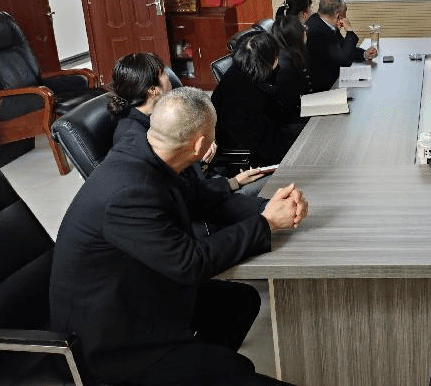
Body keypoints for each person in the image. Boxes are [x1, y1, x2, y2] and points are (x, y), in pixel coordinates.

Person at [50, 86, 308, 386]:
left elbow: (208, 200)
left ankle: (199, 364)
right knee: (233, 368)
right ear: (200, 144)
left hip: (140, 290)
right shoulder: (128, 193)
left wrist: (268, 207)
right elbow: (191, 263)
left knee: (239, 302)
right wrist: (266, 224)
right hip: (111, 341)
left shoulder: (155, 153)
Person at [108, 52, 266, 193]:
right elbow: (180, 191)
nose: (168, 76)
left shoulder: (161, 113)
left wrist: (207, 140)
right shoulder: (135, 137)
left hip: (205, 182)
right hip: (200, 197)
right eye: (163, 73)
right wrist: (232, 183)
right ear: (152, 89)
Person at [211, 31, 298, 167]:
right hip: (253, 155)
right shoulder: (236, 92)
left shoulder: (250, 71)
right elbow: (262, 143)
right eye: (276, 55)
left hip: (270, 132)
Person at [306, 0, 377, 92]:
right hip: (323, 89)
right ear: (338, 15)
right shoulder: (317, 30)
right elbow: (345, 60)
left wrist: (364, 54)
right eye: (345, 13)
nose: (345, 17)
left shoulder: (320, 21)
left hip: (333, 80)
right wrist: (350, 31)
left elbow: (343, 47)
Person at [272, 14, 313, 125]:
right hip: (294, 120)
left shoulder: (295, 53)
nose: (306, 30)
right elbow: (291, 105)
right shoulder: (284, 66)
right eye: (302, 28)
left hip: (305, 107)